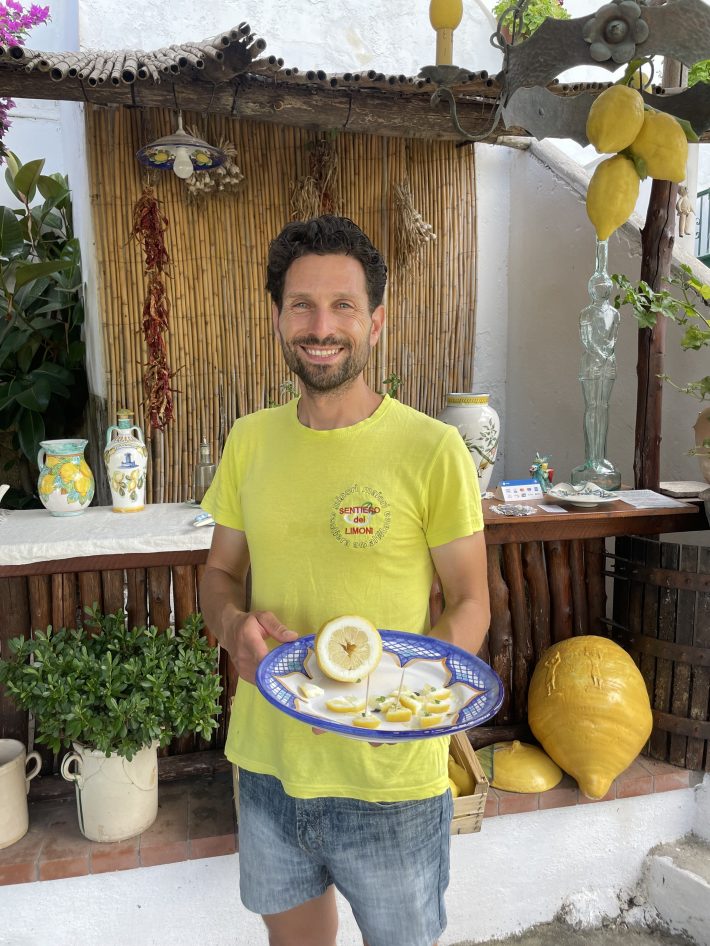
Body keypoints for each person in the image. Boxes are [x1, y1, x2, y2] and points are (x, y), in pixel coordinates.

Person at [199, 215, 490, 946]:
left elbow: (470, 600)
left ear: (377, 321)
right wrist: (233, 627)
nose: (320, 326)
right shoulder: (249, 439)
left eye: (343, 306)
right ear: (277, 319)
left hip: (389, 779)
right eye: (301, 305)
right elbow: (220, 572)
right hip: (269, 766)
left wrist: (420, 704)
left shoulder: (433, 449)